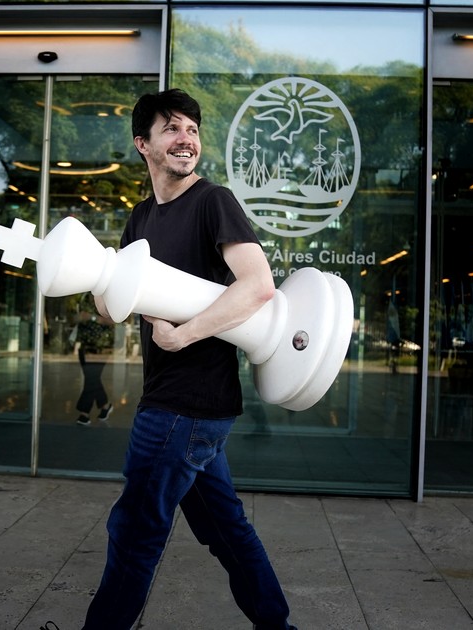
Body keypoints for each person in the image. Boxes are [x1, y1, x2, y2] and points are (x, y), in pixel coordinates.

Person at [78, 89, 296, 630]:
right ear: (143, 144)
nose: (186, 139)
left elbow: (258, 286)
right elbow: (110, 309)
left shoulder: (213, 201)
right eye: (172, 128)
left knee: (135, 530)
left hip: (185, 403)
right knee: (227, 531)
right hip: (188, 406)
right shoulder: (142, 217)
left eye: (193, 130)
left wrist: (185, 335)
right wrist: (95, 278)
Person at [72, 293, 114, 425]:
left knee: (91, 377)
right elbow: (75, 318)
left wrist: (92, 317)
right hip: (84, 344)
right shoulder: (84, 297)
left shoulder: (108, 296)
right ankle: (105, 405)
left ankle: (84, 413)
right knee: (92, 378)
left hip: (100, 346)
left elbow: (114, 321)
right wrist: (78, 318)